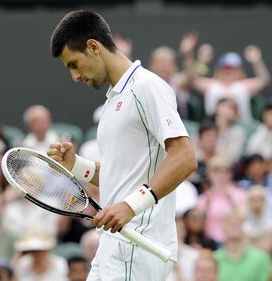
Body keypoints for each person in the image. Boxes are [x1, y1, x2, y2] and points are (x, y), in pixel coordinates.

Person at [48, 10, 197, 280]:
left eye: (73, 64)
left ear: (93, 47)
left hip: (137, 244)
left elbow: (185, 158)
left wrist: (130, 206)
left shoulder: (147, 87)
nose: (75, 77)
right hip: (113, 245)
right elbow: (121, 176)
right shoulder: (111, 103)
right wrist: (76, 165)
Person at [181, 33, 271, 123]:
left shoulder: (244, 85)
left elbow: (264, 80)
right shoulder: (211, 84)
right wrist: (189, 55)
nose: (229, 72)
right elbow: (192, 80)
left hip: (242, 128)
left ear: (240, 71)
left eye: (233, 69)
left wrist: (257, 61)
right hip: (214, 129)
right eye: (226, 68)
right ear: (219, 70)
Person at [196, 155, 247, 243]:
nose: (222, 175)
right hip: (210, 244)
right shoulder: (202, 200)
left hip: (234, 243)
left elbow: (244, 220)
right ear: (209, 174)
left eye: (226, 171)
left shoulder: (241, 195)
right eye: (216, 171)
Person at [214, 209, 271, 281]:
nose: (234, 222)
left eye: (240, 221)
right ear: (222, 227)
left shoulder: (262, 258)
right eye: (228, 220)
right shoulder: (214, 258)